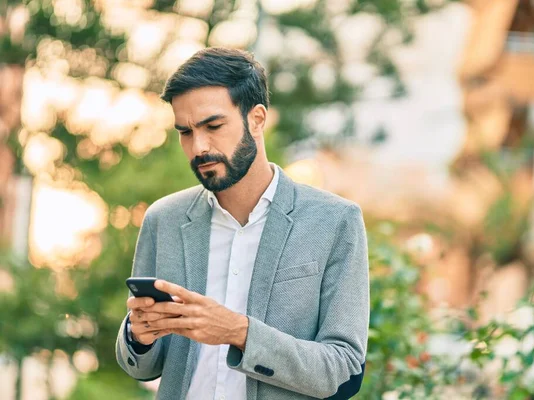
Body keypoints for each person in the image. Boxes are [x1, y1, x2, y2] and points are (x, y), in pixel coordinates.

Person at [115, 47, 369, 400]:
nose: (198, 146)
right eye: (185, 132)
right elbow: (142, 367)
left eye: (213, 126)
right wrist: (138, 336)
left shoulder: (334, 221)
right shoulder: (164, 220)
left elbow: (344, 372)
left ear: (257, 119)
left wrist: (239, 332)